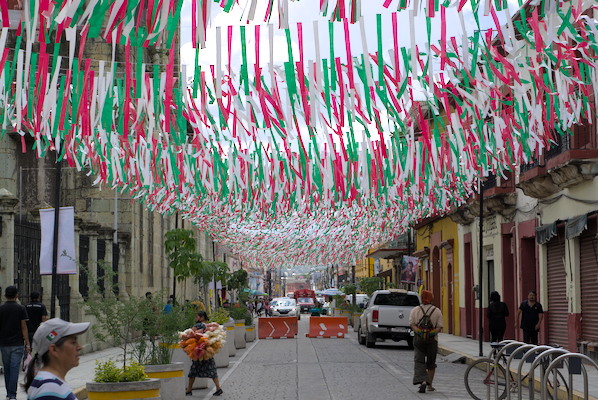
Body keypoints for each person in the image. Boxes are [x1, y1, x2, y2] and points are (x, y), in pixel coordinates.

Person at [24, 318, 90, 400]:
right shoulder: (50, 387)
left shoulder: (50, 384)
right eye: (73, 342)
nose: (80, 347)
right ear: (54, 349)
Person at [409, 289, 443, 393]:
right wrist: (430, 334)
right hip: (432, 341)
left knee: (419, 361)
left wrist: (420, 333)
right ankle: (430, 385)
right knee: (431, 363)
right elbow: (439, 327)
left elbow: (412, 324)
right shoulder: (437, 311)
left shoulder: (415, 310)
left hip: (419, 340)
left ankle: (423, 381)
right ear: (431, 298)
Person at [0, 285, 30, 400]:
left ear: (5, 296)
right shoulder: (21, 308)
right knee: (14, 369)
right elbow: (24, 327)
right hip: (17, 343)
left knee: (7, 369)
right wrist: (27, 343)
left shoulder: (1, 309)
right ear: (16, 295)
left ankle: (9, 394)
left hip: (4, 343)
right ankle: (12, 395)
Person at [185, 311, 223, 396]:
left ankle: (189, 389)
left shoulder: (198, 325)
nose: (195, 318)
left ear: (201, 317)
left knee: (193, 371)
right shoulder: (208, 325)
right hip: (206, 352)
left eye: (197, 316)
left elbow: (190, 334)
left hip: (198, 352)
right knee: (212, 370)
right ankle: (218, 388)